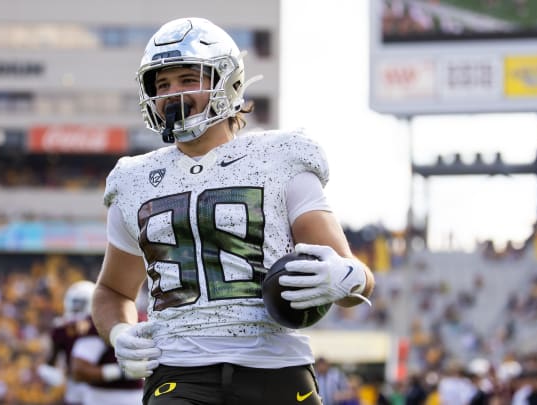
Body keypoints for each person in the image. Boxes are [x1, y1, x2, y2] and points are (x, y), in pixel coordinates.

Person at [91, 17, 375, 405]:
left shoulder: (280, 157)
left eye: (188, 79)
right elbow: (112, 291)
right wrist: (120, 332)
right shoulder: (134, 179)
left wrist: (346, 276)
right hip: (179, 370)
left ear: (228, 82)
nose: (172, 94)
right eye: (162, 84)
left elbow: (354, 277)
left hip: (277, 367)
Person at [37, 280, 94, 405]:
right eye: (76, 303)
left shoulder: (61, 329)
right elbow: (50, 364)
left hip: (86, 387)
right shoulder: (62, 329)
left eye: (80, 304)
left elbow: (49, 364)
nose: (77, 308)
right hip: (88, 386)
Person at [71, 310, 145, 405]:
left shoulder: (144, 317)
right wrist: (122, 372)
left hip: (141, 396)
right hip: (103, 397)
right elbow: (79, 371)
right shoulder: (98, 322)